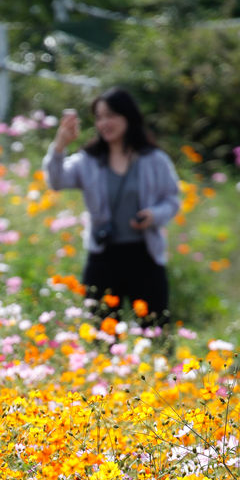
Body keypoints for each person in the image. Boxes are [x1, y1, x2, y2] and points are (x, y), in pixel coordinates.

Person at [43, 87, 180, 328]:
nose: (105, 123)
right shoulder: (89, 160)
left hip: (145, 255)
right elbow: (56, 181)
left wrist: (154, 215)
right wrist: (59, 146)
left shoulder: (153, 159)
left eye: (111, 115)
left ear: (128, 117)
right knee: (102, 337)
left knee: (156, 331)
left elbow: (172, 199)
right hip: (103, 257)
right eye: (99, 117)